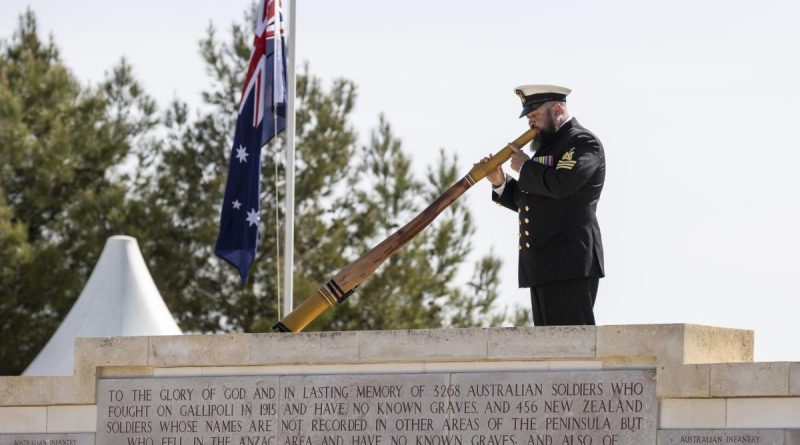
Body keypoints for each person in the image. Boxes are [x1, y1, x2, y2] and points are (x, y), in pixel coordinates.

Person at [485, 85, 605, 326]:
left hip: (569, 262)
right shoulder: (546, 149)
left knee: (572, 345)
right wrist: (501, 183)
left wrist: (526, 168)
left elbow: (562, 185)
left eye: (534, 116)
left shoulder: (582, 142)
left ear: (557, 109)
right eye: (528, 118)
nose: (531, 124)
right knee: (550, 349)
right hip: (542, 263)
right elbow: (533, 200)